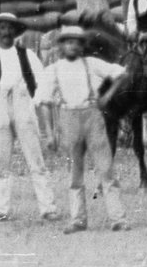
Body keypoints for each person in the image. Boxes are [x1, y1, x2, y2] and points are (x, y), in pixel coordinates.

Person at [33, 22, 128, 233]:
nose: (72, 46)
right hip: (68, 119)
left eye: (77, 43)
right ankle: (78, 219)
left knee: (105, 169)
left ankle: (118, 219)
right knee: (74, 172)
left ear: (82, 46)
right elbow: (43, 102)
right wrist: (49, 133)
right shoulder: (53, 70)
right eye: (68, 42)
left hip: (92, 116)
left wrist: (107, 96)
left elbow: (122, 74)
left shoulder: (92, 64)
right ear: (61, 46)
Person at [0, 12, 59, 223]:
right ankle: (2, 209)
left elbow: (43, 80)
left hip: (23, 102)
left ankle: (48, 208)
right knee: (2, 160)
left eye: (10, 28)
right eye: (1, 28)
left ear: (15, 32)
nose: (6, 32)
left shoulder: (27, 54)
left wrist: (33, 101)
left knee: (35, 158)